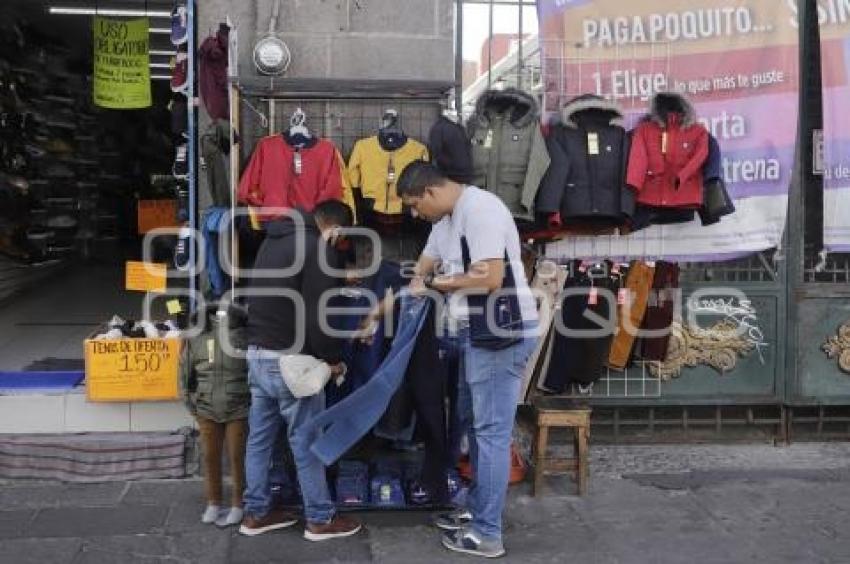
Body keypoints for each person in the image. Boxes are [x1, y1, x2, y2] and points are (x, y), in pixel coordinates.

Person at [368, 161, 539, 558]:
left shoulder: (480, 210)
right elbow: (419, 278)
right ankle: (478, 511)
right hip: (475, 334)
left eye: (414, 205)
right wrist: (377, 313)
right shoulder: (443, 223)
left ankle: (487, 534)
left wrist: (436, 283)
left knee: (491, 435)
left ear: (430, 192)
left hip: (500, 334)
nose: (414, 214)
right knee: (477, 430)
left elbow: (489, 277)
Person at [240, 200, 362, 541]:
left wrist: (336, 274)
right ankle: (320, 520)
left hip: (257, 353)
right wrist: (333, 358)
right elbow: (318, 316)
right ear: (335, 229)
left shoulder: (275, 239)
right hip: (291, 362)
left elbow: (292, 285)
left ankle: (256, 513)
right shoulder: (317, 247)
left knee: (260, 439)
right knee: (306, 440)